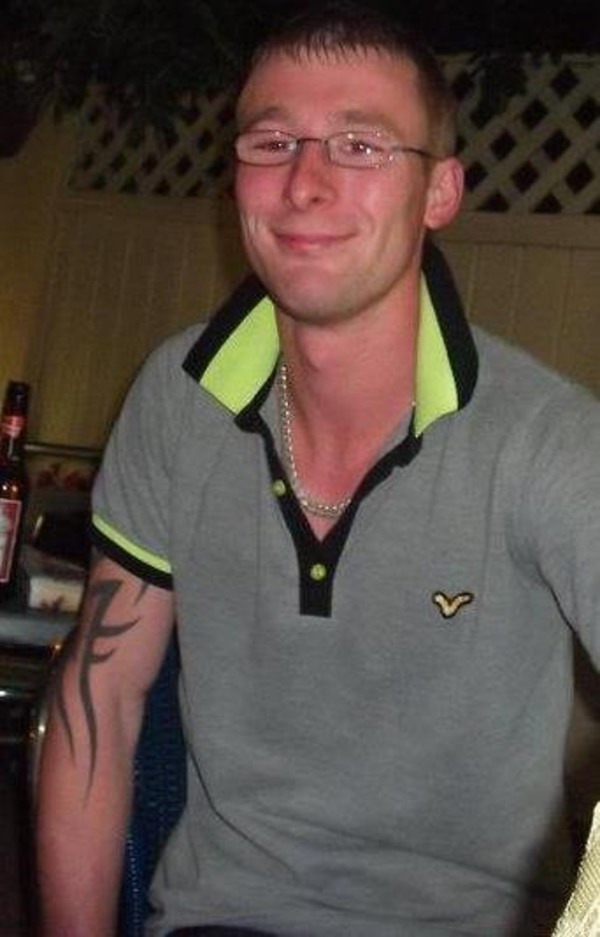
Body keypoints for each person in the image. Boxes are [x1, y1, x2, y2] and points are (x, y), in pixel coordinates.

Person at [36, 2, 600, 935]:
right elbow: (102, 697)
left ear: (440, 192)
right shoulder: (180, 400)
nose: (305, 182)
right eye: (272, 143)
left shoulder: (548, 441)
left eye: (360, 145)